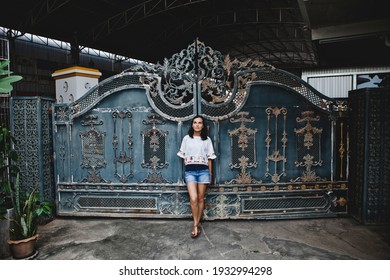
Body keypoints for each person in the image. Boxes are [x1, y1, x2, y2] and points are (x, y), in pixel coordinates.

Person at [177, 115, 216, 238]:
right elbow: (183, 156)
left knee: (200, 198)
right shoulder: (186, 139)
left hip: (203, 172)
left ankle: (196, 223)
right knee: (193, 198)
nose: (197, 125)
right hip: (190, 172)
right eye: (195, 122)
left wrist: (210, 173)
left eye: (200, 123)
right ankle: (196, 224)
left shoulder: (207, 140)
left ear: (203, 125)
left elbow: (210, 158)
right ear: (192, 125)